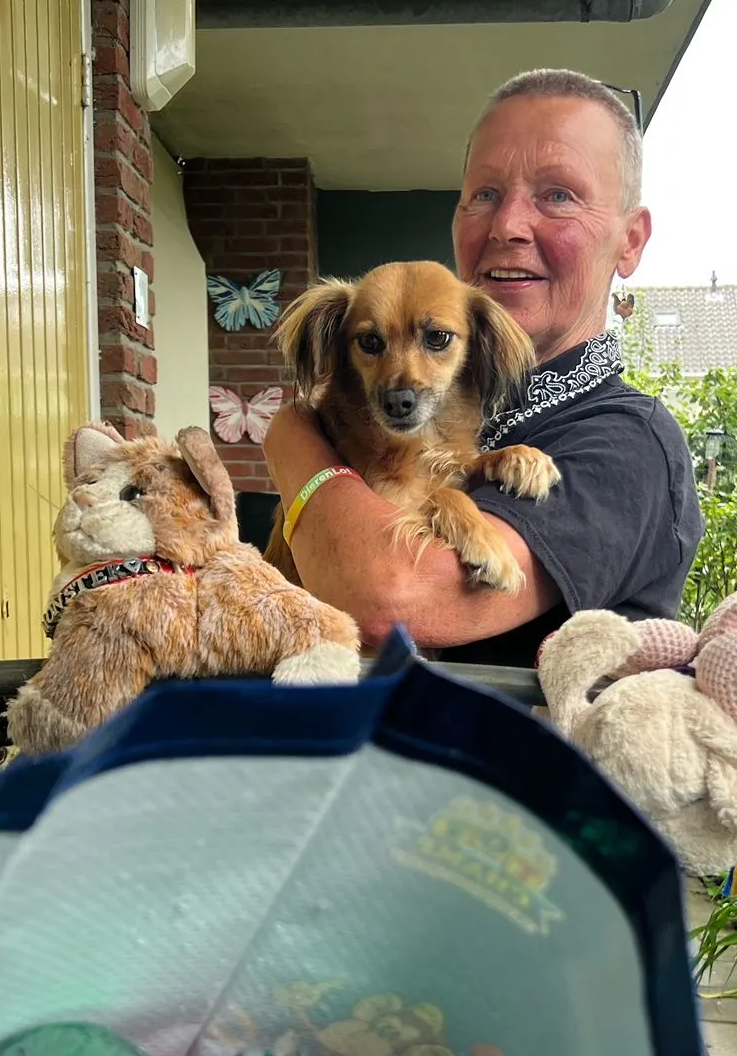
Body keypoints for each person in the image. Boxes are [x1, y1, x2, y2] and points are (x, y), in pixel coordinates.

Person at [262, 68, 703, 667]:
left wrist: (294, 443)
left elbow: (393, 599)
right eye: (485, 195)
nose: (508, 225)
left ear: (630, 241)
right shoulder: (469, 407)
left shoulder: (628, 442)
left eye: (558, 195)